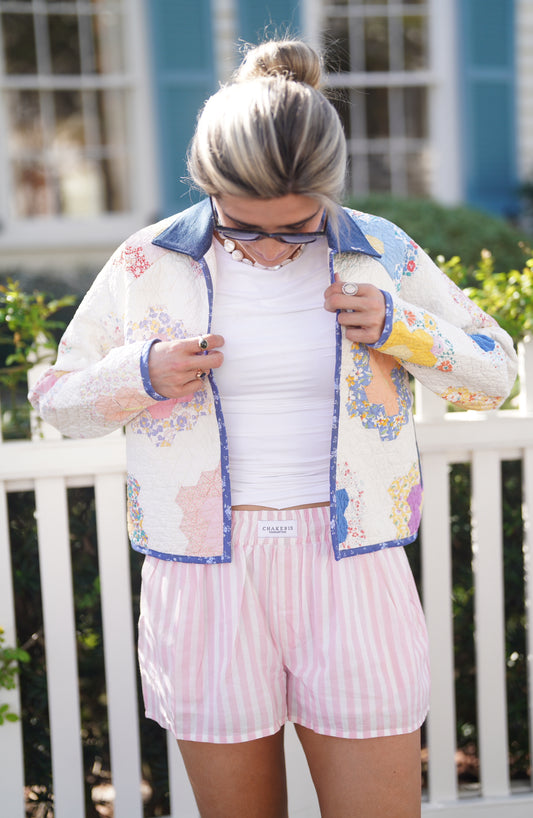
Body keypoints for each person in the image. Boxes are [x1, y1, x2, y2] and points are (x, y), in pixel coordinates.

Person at [29, 39, 517, 818]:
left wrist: (403, 328)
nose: (263, 247)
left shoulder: (379, 250)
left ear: (328, 189)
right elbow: (56, 401)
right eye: (238, 226)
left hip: (353, 562)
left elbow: (495, 376)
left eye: (294, 229)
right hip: (201, 572)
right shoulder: (145, 261)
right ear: (206, 185)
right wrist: (141, 373)